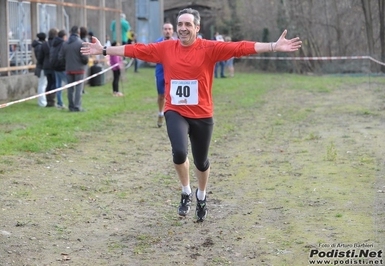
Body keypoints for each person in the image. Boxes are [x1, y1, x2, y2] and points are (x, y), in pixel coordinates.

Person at [81, 8, 301, 222]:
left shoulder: (209, 48)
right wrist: (103, 50)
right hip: (175, 110)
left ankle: (201, 196)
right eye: (180, 24)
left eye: (188, 24)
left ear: (197, 27)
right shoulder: (166, 48)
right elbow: (137, 50)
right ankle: (186, 191)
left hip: (202, 113)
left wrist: (273, 45)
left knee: (201, 161)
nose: (183, 28)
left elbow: (240, 48)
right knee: (179, 152)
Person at [59, 26, 89, 112]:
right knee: (78, 89)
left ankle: (71, 106)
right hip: (79, 69)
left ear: (70, 33)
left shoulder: (65, 43)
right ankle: (77, 106)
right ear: (78, 33)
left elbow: (60, 57)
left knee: (70, 89)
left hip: (68, 69)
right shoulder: (81, 43)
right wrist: (83, 63)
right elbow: (85, 58)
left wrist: (67, 64)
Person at [154, 22, 174, 127]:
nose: (167, 31)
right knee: (161, 95)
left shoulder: (178, 43)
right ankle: (161, 113)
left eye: (169, 29)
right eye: (166, 29)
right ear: (163, 31)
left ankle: (174, 117)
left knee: (173, 95)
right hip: (161, 71)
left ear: (173, 31)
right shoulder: (157, 43)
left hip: (174, 72)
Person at [39, 28, 58, 107]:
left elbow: (40, 57)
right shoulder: (56, 43)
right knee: (54, 83)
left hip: (46, 67)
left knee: (49, 83)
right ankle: (52, 100)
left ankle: (48, 100)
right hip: (53, 66)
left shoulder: (44, 44)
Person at [50, 29, 68, 109]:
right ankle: (72, 102)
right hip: (61, 67)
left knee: (58, 85)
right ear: (64, 36)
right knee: (69, 83)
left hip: (54, 66)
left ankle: (59, 103)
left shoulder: (54, 43)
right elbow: (63, 56)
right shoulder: (63, 44)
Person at [32, 32, 47, 107]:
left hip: (40, 67)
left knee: (42, 84)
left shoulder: (37, 46)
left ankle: (42, 101)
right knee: (42, 85)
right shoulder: (40, 47)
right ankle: (42, 102)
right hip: (42, 67)